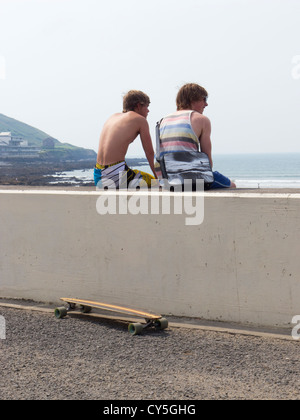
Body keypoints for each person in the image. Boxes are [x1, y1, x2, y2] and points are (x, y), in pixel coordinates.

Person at [155, 83, 236, 189]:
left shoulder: (162, 121)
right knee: (232, 186)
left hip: (165, 179)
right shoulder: (201, 119)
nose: (206, 104)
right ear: (193, 99)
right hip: (187, 177)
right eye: (204, 99)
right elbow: (207, 160)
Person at [94, 90, 157, 189]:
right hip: (114, 176)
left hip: (98, 175)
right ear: (138, 106)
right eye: (147, 106)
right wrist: (159, 178)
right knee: (152, 181)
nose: (148, 111)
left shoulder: (112, 117)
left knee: (134, 173)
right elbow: (149, 152)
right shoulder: (140, 120)